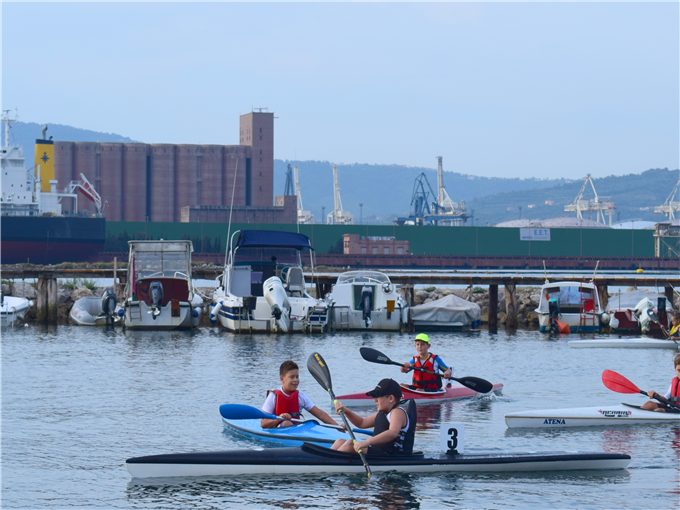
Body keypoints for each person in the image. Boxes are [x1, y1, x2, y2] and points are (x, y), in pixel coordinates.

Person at [331, 378, 416, 455]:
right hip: (379, 452)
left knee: (350, 444)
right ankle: (327, 459)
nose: (375, 400)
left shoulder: (397, 412)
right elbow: (362, 423)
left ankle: (331, 461)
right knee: (339, 441)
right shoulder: (383, 413)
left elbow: (392, 433)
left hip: (392, 456)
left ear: (391, 398)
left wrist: (366, 442)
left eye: (378, 397)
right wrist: (346, 411)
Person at [261, 360, 340, 429]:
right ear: (282, 379)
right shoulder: (273, 396)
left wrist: (338, 427)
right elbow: (263, 423)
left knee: (311, 424)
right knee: (286, 423)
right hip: (276, 429)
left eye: (297, 377)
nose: (296, 380)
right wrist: (279, 419)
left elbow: (320, 414)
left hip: (296, 430)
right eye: (292, 377)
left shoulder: (301, 396)